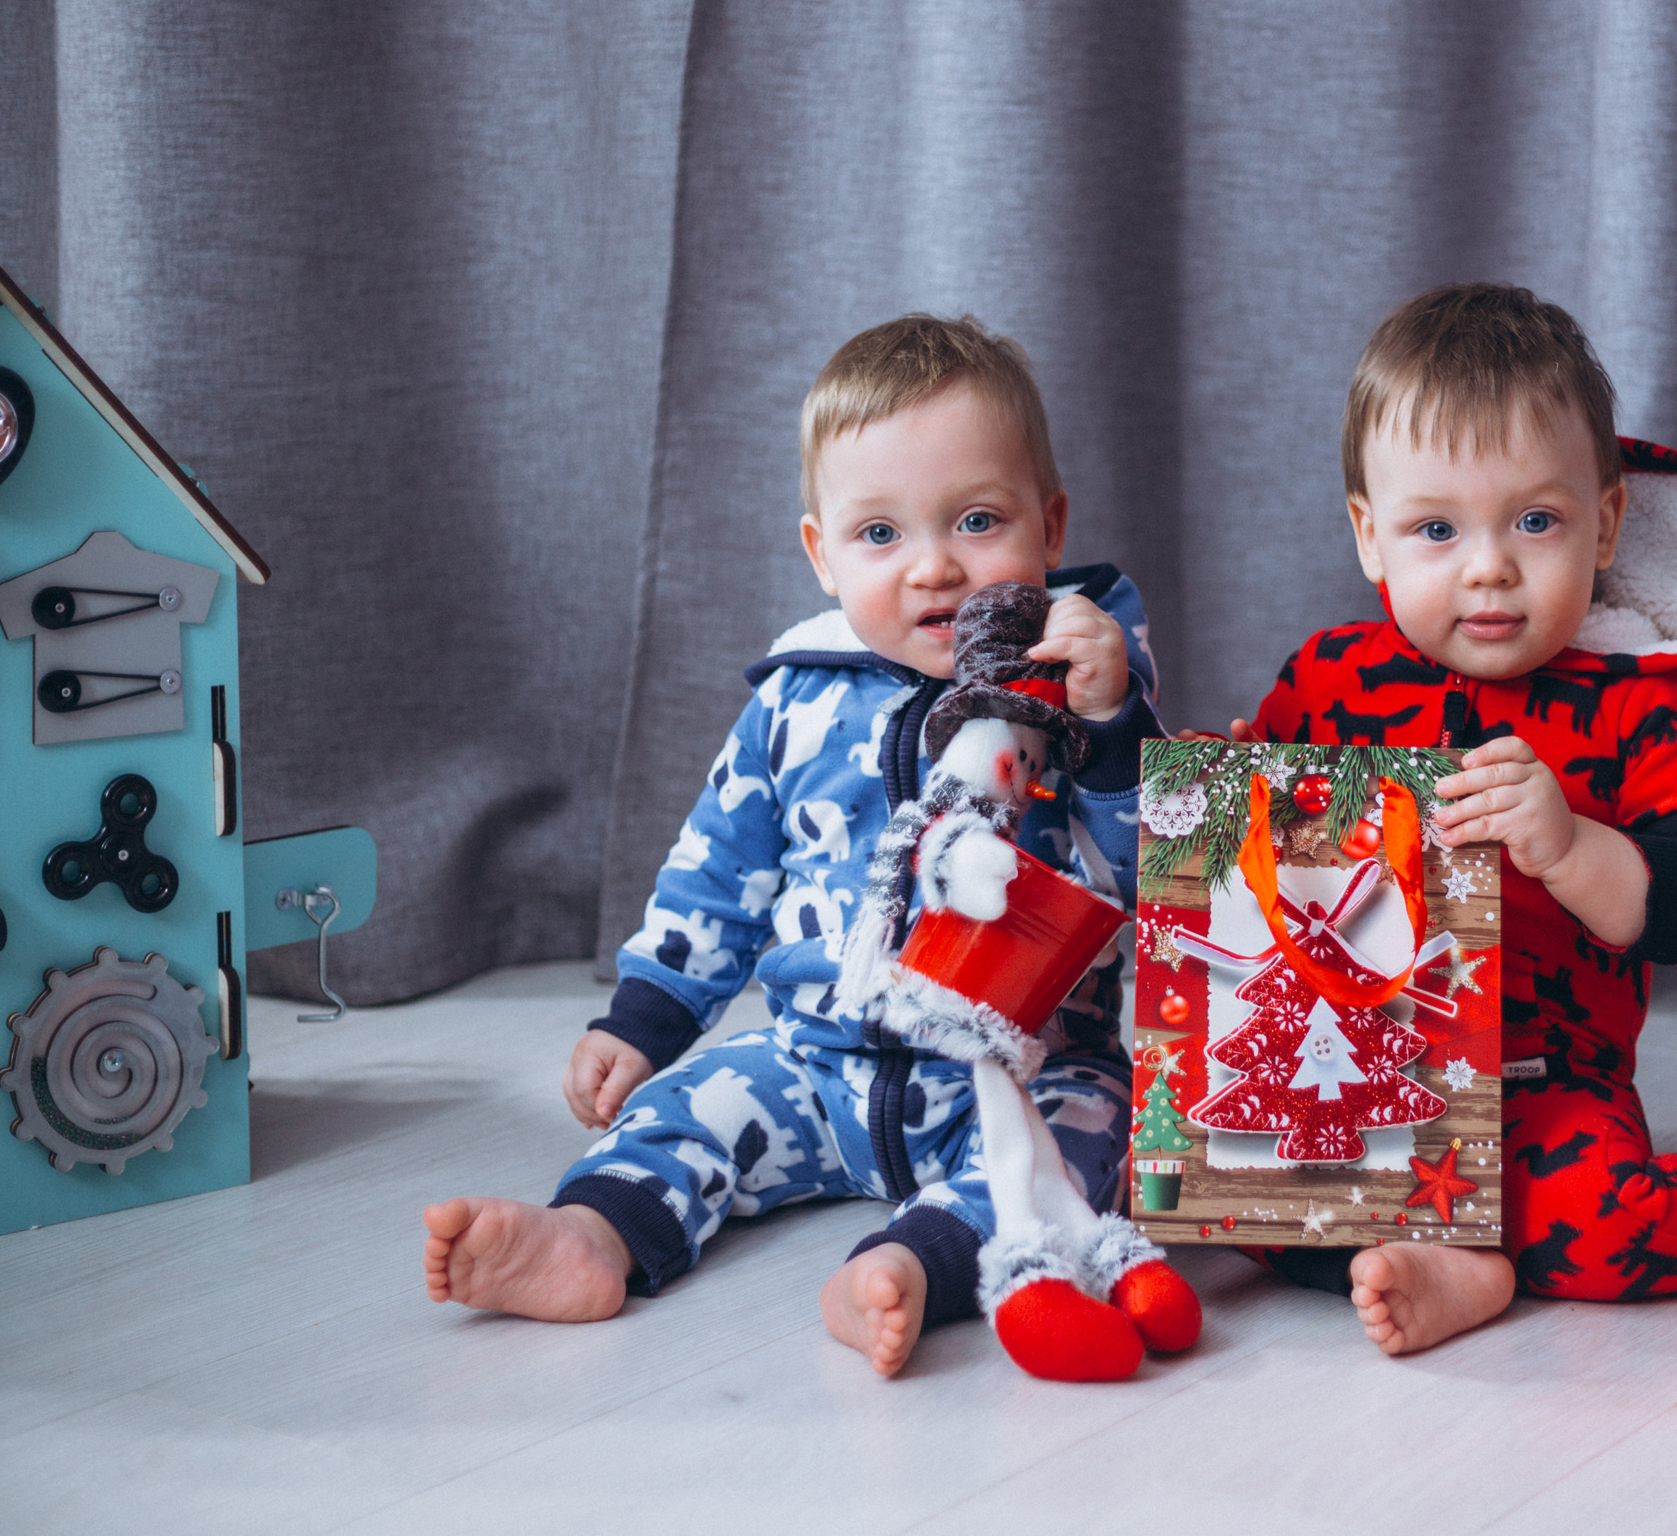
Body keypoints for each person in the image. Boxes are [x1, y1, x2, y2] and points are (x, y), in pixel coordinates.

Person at [421, 314, 1162, 1376]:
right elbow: (718, 871)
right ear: (820, 553)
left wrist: (1111, 732)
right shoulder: (798, 701)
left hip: (1017, 1066)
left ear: (1049, 525)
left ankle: (911, 1266)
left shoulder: (1080, 683)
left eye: (979, 520)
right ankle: (591, 1236)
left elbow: (1155, 870)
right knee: (688, 1114)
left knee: (1083, 1143)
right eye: (880, 536)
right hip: (818, 1062)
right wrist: (649, 1017)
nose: (935, 568)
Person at [1236, 282, 1677, 1355]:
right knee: (1223, 1190)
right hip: (1368, 1070)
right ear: (1368, 537)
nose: (1488, 564)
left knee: (1605, 1226)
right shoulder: (1326, 679)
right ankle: (1467, 1258)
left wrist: (1575, 849)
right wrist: (1228, 790)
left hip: (1547, 1086)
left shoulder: (1637, 710)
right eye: (1434, 529)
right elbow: (1255, 863)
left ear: (1606, 520)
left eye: (1535, 521)